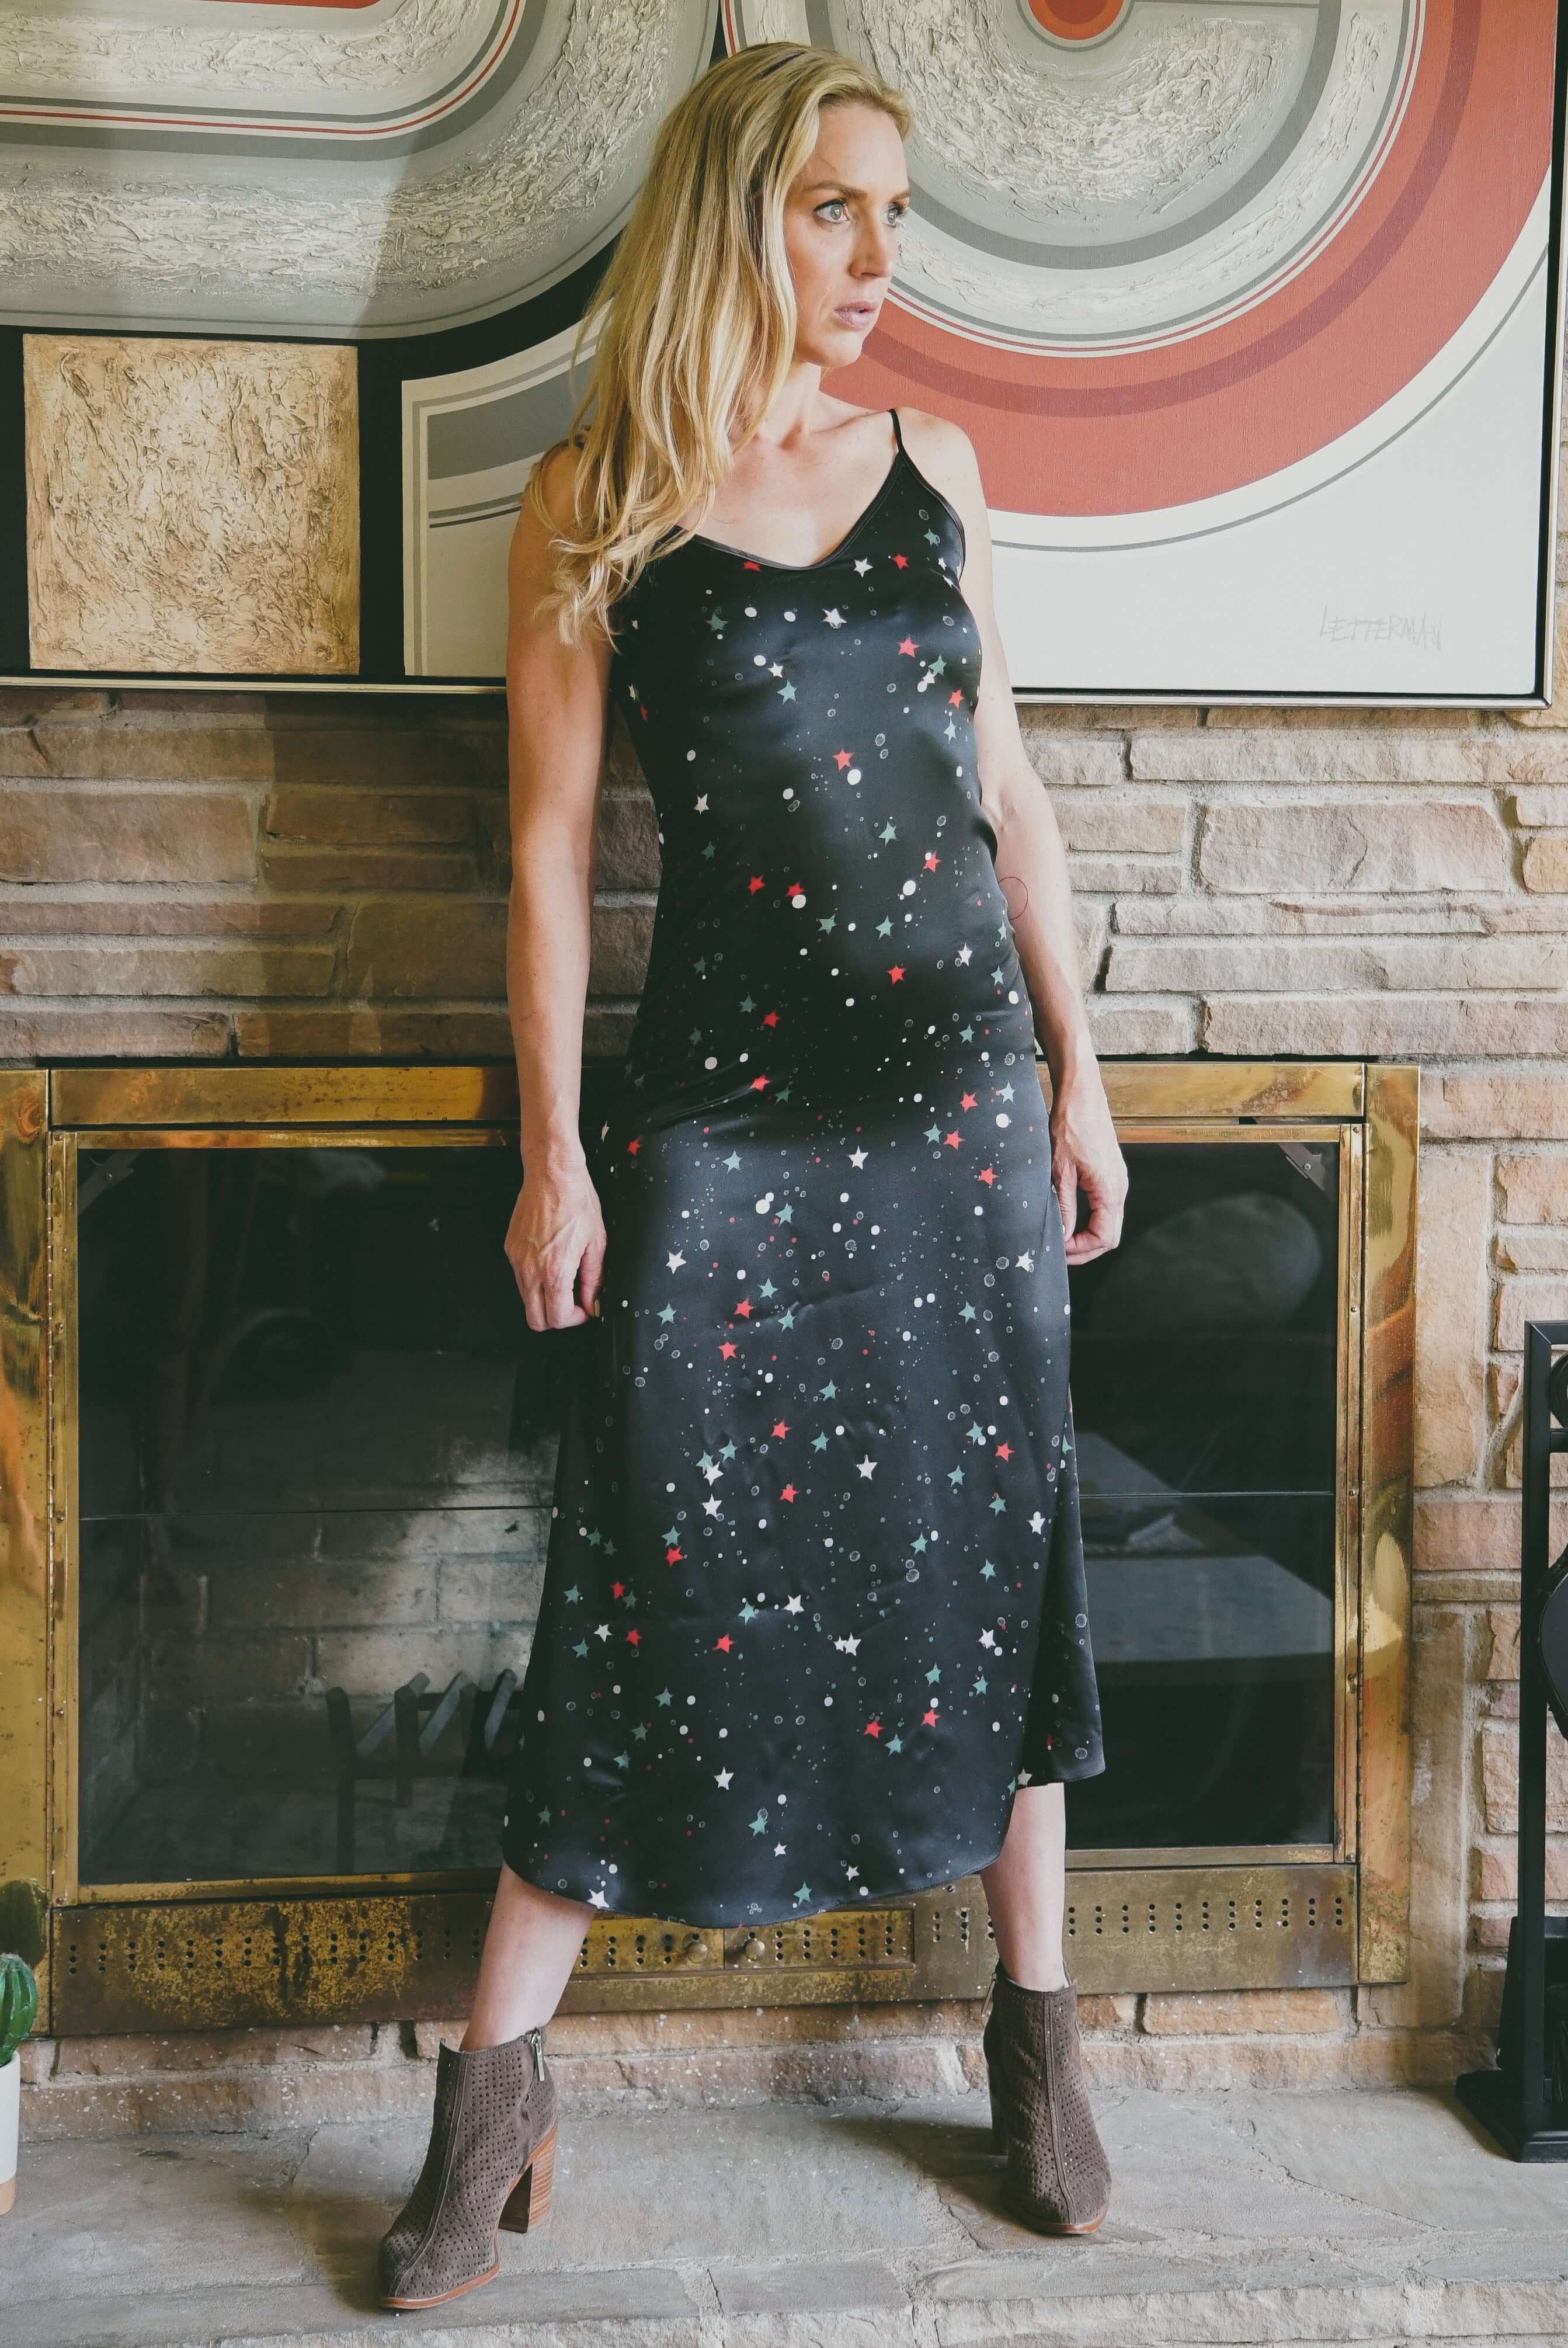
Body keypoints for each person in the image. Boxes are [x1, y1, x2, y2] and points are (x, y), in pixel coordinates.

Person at [378, 41, 1128, 2311]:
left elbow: (1007, 792)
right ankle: (495, 2102)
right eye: (835, 210)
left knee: (998, 1554)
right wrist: (555, 1153)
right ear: (736, 218)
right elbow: (544, 851)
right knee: (642, 1580)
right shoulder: (598, 497)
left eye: (898, 210)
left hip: (958, 1102)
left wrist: (1082, 1074)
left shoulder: (938, 470)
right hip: (722, 1110)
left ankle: (1036, 2039)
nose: (882, 256)